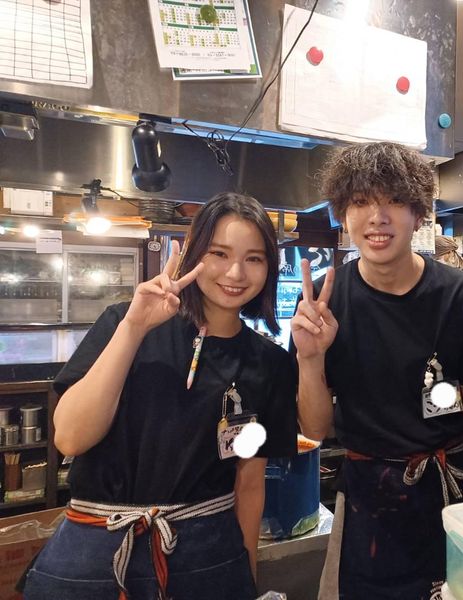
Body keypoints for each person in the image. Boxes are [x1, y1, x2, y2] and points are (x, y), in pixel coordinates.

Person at [25, 193, 298, 600]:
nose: (235, 272)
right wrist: (134, 329)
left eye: (254, 258)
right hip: (96, 546)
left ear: (269, 268)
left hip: (209, 553)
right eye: (219, 253)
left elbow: (249, 483)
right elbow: (70, 437)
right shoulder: (123, 321)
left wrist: (246, 578)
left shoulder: (269, 363)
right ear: (192, 254)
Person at [290, 142, 463, 599]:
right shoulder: (323, 303)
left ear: (419, 213)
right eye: (361, 201)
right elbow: (314, 428)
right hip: (368, 497)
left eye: (393, 201)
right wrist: (310, 357)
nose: (378, 217)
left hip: (449, 488)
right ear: (343, 214)